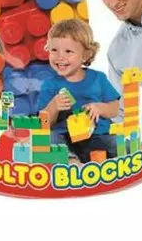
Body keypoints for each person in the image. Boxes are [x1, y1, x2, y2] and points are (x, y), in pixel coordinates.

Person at [36, 19, 120, 163]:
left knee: (118, 142)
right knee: (47, 139)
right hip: (64, 138)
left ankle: (101, 160)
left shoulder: (98, 78)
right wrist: (53, 106)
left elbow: (115, 109)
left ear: (85, 55)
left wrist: (99, 108)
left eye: (68, 51)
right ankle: (71, 161)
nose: (60, 57)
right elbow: (43, 124)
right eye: (54, 50)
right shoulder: (49, 85)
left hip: (97, 136)